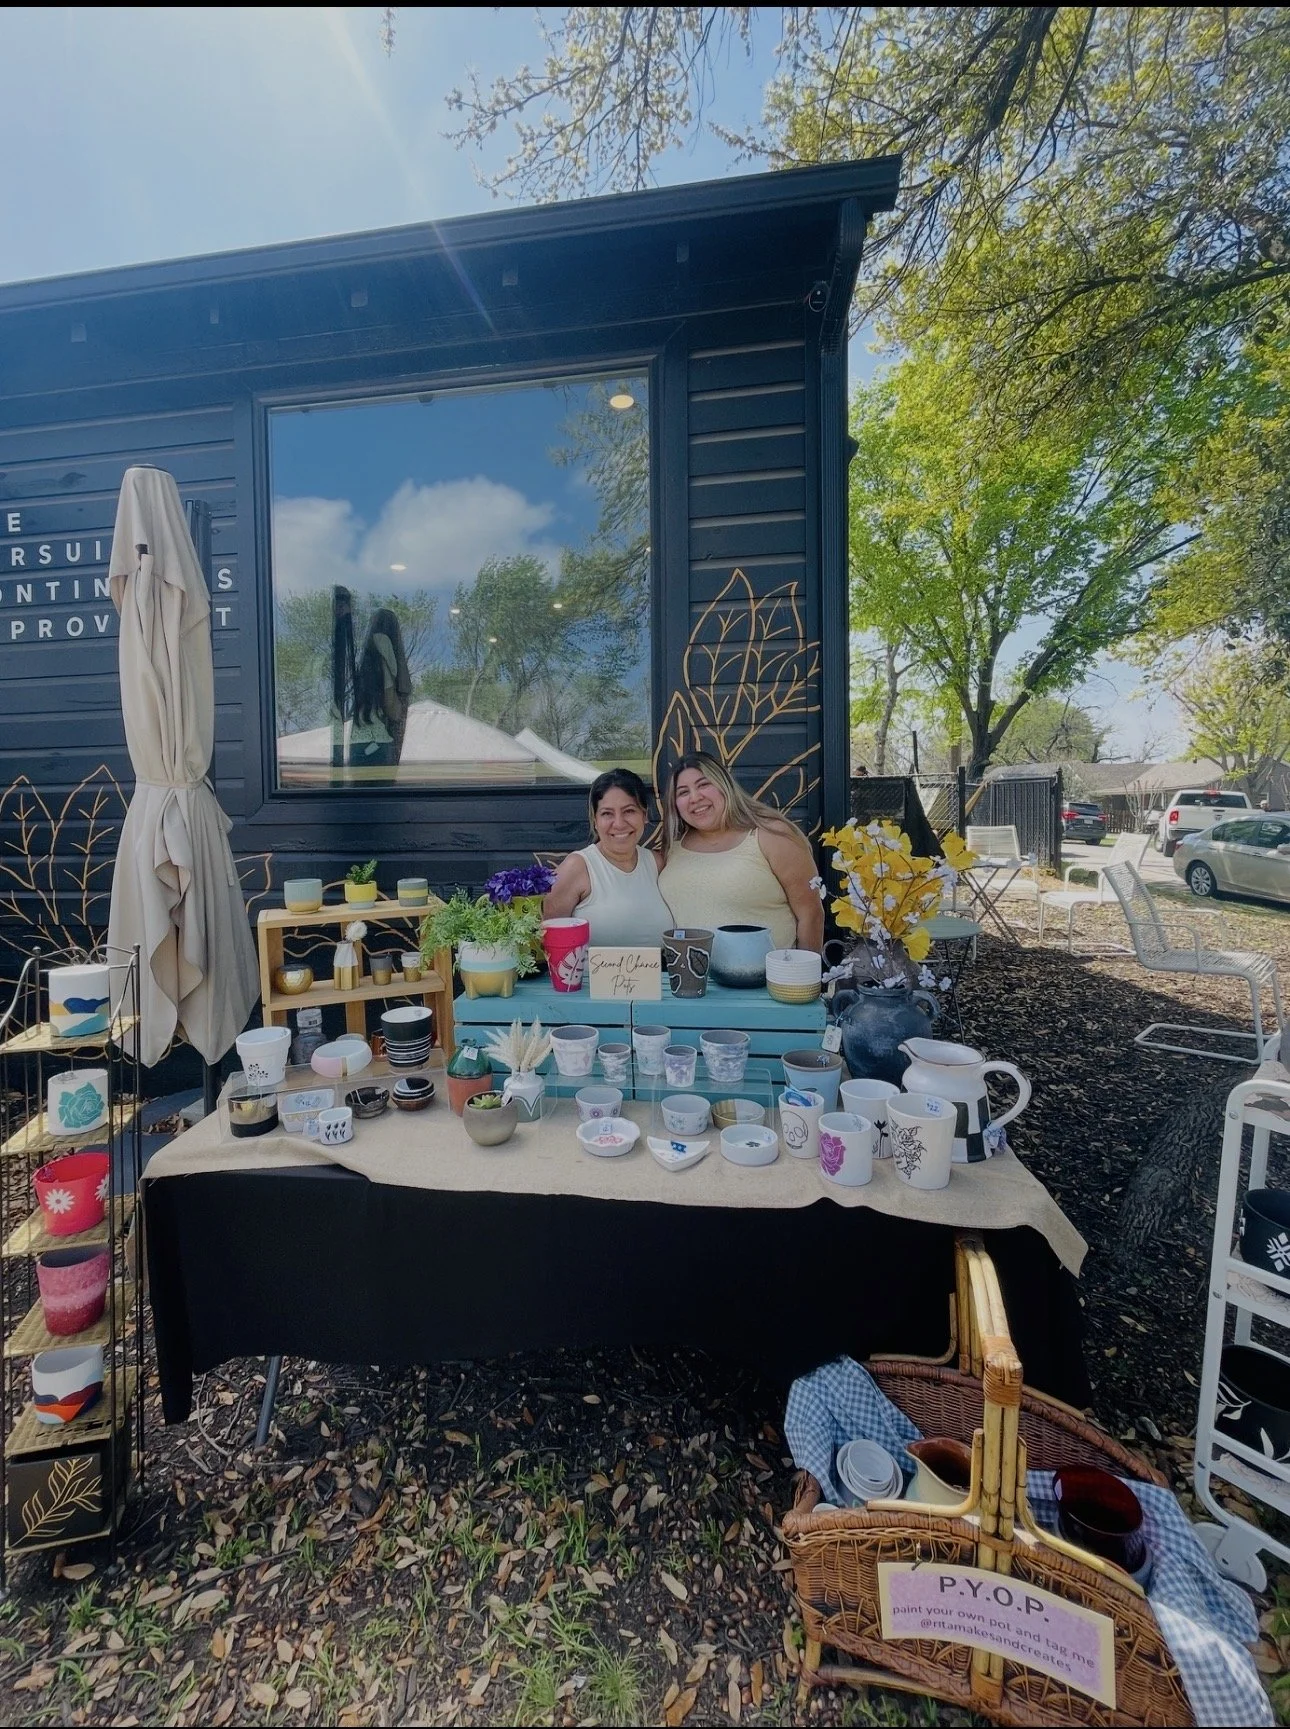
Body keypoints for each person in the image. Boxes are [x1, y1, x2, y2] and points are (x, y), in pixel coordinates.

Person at [658, 752, 823, 952]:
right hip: (691, 979)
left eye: (703, 785)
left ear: (724, 786)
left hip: (764, 980)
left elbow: (811, 914)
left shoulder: (772, 835)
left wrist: (803, 978)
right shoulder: (673, 847)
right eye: (683, 792)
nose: (695, 797)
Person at [543, 768, 673, 945]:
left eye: (629, 811)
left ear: (644, 815)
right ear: (595, 820)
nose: (619, 823)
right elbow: (549, 942)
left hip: (658, 973)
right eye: (607, 813)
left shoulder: (656, 864)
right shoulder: (577, 867)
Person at [347, 608, 413, 771]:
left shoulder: (363, 670)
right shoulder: (385, 651)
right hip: (378, 745)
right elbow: (393, 709)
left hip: (357, 745)